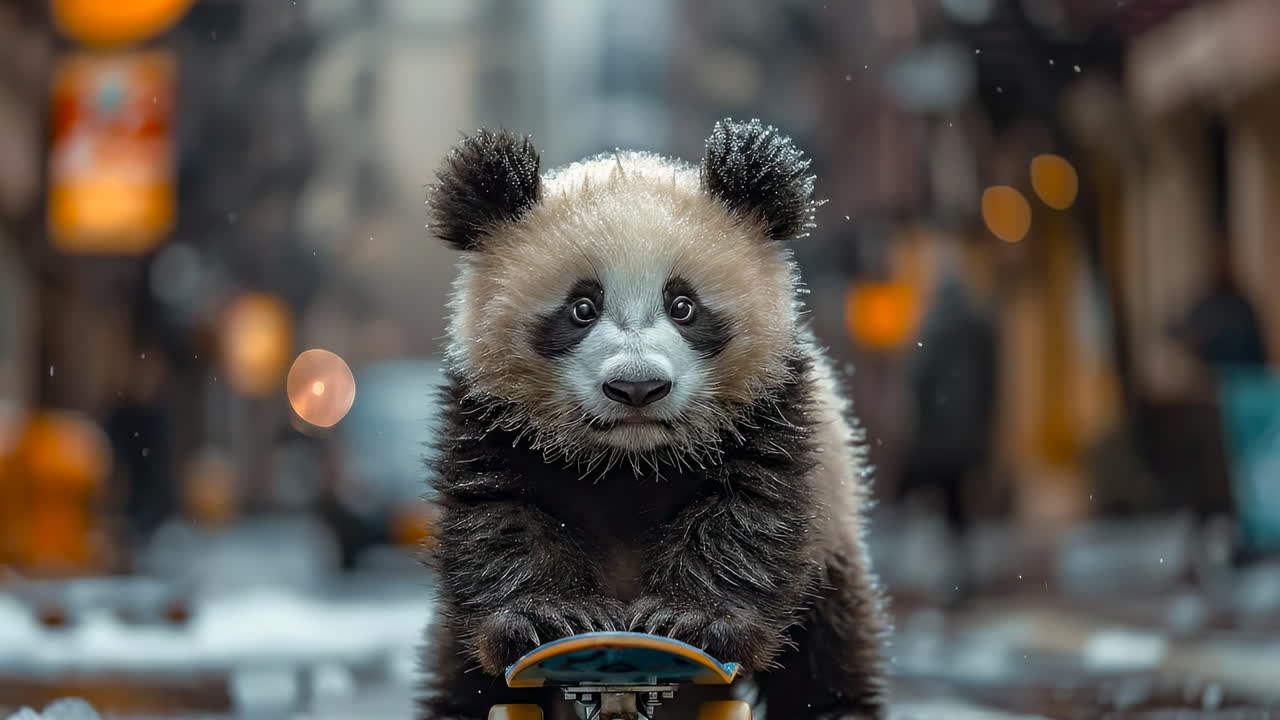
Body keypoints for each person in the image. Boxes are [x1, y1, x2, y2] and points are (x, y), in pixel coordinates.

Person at [897, 262, 998, 605]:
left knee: (932, 502)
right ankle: (962, 576)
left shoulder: (936, 330)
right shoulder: (979, 330)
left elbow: (918, 382)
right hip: (965, 440)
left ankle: (939, 576)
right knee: (958, 508)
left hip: (937, 440)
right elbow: (990, 388)